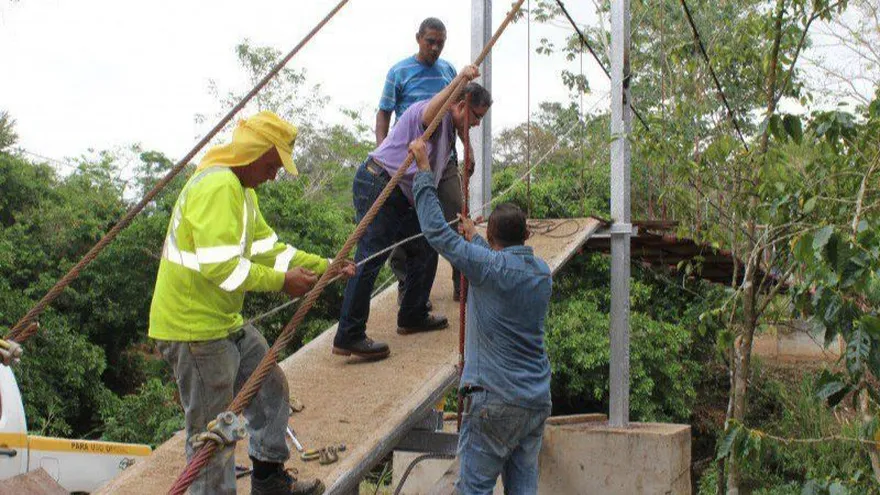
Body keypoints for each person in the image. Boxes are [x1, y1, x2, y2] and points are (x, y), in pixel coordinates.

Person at [149, 111, 353, 495]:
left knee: (270, 387)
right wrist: (283, 283)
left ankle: (268, 480)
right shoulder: (218, 186)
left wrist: (327, 265)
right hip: (195, 330)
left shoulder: (243, 193)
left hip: (223, 321)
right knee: (214, 434)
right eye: (272, 165)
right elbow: (223, 268)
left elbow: (271, 251)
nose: (274, 175)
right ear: (253, 153)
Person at [409, 138, 553, 494]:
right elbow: (499, 264)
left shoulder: (488, 267)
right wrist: (475, 239)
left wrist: (424, 171)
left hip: (494, 401)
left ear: (492, 234)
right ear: (527, 235)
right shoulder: (542, 274)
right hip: (535, 401)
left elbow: (436, 232)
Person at [333, 68, 490, 360]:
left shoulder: (450, 129)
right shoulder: (432, 114)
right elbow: (434, 113)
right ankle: (348, 334)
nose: (477, 124)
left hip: (400, 194)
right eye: (476, 116)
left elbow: (453, 137)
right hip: (380, 183)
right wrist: (460, 80)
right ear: (459, 105)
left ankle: (412, 314)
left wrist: (467, 145)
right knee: (371, 257)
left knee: (426, 245)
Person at [376, 17, 466, 304]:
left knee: (456, 212)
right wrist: (384, 155)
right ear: (418, 38)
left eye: (440, 43)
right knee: (407, 223)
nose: (435, 48)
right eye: (430, 42)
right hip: (410, 160)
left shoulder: (449, 71)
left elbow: (460, 113)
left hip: (445, 157)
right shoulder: (398, 72)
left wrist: (469, 150)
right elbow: (384, 113)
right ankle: (408, 289)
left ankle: (461, 281)